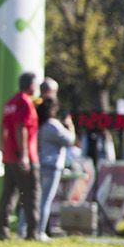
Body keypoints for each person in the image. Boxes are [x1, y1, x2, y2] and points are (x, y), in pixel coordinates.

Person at [0, 72, 40, 242]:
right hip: (24, 156)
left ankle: (2, 231)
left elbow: (3, 128)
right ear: (30, 85)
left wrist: (2, 150)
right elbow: (21, 128)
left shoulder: (10, 102)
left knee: (8, 195)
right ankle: (32, 233)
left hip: (9, 157)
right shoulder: (24, 102)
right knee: (31, 195)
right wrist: (25, 155)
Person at [36, 100, 75, 238]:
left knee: (35, 199)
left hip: (39, 164)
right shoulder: (52, 125)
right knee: (45, 200)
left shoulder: (39, 124)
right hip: (51, 166)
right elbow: (70, 140)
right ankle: (40, 231)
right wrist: (70, 125)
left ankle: (26, 229)